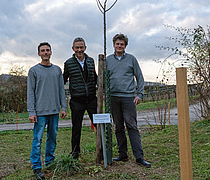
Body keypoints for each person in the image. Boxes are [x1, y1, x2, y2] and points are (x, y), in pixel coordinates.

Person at [106, 33, 151, 168]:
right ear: (114, 45)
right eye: (117, 44)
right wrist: (103, 92)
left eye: (122, 44)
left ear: (125, 46)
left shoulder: (131, 59)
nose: (119, 46)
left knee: (131, 126)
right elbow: (102, 77)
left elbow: (140, 77)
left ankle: (139, 156)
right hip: (113, 97)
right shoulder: (108, 60)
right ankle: (123, 154)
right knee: (118, 127)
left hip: (128, 98)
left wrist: (139, 94)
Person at [27, 42, 67, 179]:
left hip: (54, 111)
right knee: (37, 139)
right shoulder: (34, 71)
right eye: (42, 50)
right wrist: (31, 111)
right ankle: (37, 167)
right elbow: (30, 92)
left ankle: (50, 161)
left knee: (53, 138)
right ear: (39, 53)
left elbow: (62, 90)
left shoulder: (57, 70)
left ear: (51, 52)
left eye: (47, 50)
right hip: (39, 112)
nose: (45, 52)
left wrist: (64, 107)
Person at [63, 37, 97, 159]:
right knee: (76, 128)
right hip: (77, 101)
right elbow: (63, 79)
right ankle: (75, 154)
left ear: (85, 48)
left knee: (99, 125)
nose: (79, 50)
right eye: (77, 47)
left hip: (92, 99)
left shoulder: (91, 61)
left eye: (81, 47)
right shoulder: (68, 63)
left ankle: (102, 151)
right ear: (73, 48)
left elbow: (95, 77)